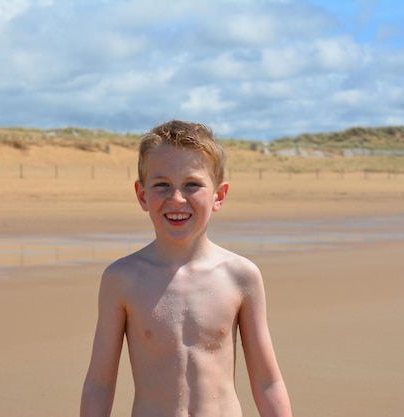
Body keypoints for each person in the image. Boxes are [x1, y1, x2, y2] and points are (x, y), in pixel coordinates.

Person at [80, 120, 292, 417]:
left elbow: (267, 381)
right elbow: (99, 384)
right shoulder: (123, 279)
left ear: (219, 195)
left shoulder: (240, 276)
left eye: (192, 184)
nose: (177, 198)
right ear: (142, 195)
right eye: (162, 185)